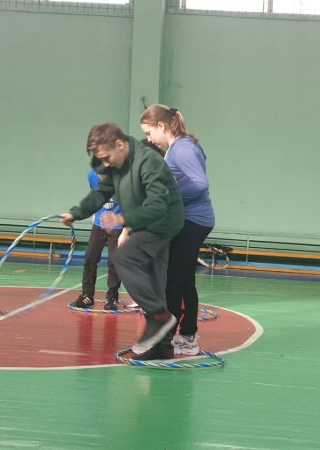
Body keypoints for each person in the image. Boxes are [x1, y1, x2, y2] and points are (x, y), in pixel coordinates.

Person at [61, 123, 184, 360]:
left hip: (162, 222)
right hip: (144, 223)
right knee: (154, 279)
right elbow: (100, 193)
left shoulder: (148, 161)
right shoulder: (118, 164)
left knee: (125, 257)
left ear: (120, 145)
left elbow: (158, 205)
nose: (105, 164)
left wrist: (123, 219)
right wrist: (76, 213)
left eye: (106, 158)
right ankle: (161, 347)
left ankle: (159, 316)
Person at [140, 104, 215, 356]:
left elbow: (200, 184)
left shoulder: (182, 148)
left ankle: (164, 343)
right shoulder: (180, 146)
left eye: (149, 133)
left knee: (173, 282)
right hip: (191, 220)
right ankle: (188, 337)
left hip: (193, 222)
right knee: (183, 279)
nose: (149, 139)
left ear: (161, 126)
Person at [69, 169, 125, 311]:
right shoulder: (92, 175)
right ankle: (87, 295)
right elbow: (95, 197)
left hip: (117, 225)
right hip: (99, 224)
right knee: (90, 257)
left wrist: (125, 229)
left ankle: (112, 296)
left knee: (114, 261)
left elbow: (130, 203)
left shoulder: (123, 178)